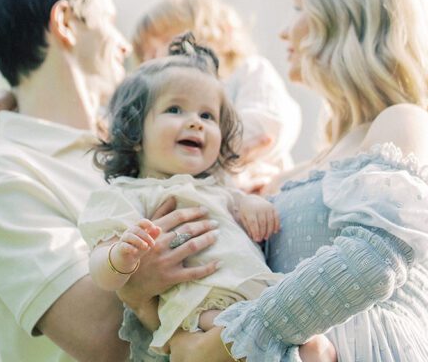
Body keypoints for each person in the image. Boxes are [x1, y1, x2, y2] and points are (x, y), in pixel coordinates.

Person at [156, 0, 428, 362]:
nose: (284, 30)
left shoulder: (406, 123)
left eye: (299, 9)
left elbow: (374, 257)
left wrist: (230, 340)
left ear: (346, 15)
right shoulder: (291, 173)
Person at [0, 0, 221, 362]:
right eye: (109, 22)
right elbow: (101, 337)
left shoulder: (137, 140)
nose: (122, 44)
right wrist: (139, 272)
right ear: (64, 23)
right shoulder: (1, 175)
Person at [83, 33, 334, 361]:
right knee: (254, 341)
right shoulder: (127, 196)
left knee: (317, 347)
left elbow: (241, 204)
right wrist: (119, 257)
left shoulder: (220, 190)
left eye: (207, 116)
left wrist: (253, 205)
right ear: (134, 133)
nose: (195, 123)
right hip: (201, 312)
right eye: (175, 109)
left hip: (259, 298)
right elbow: (100, 268)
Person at [132, 0, 302, 191]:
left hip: (260, 201)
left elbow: (265, 127)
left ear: (213, 33)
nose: (154, 61)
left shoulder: (248, 72)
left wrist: (199, 154)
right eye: (147, 56)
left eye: (165, 44)